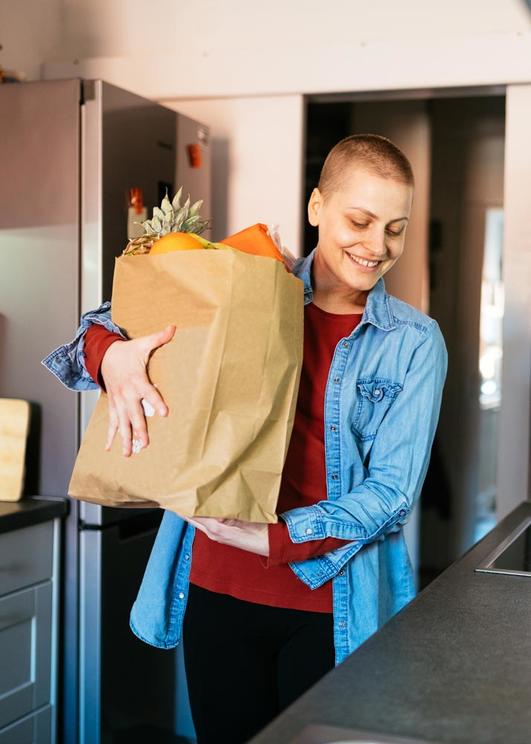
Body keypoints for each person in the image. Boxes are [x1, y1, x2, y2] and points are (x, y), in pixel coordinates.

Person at [43, 134, 448, 744]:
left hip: (332, 607)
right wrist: (114, 358)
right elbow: (95, 328)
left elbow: (392, 492)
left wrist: (278, 538)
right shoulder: (248, 278)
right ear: (316, 207)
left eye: (395, 228)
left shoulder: (415, 342)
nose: (376, 245)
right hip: (215, 586)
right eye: (359, 220)